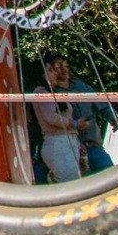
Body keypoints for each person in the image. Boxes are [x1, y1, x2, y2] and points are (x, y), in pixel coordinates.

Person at [33, 54, 81, 183]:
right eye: (50, 70)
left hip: (69, 141)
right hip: (57, 142)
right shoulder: (40, 92)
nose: (54, 73)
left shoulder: (54, 94)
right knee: (71, 183)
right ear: (42, 75)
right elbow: (50, 117)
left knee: (74, 180)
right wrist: (74, 124)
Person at [67, 67, 117, 173]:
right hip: (72, 150)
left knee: (110, 175)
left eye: (65, 65)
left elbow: (101, 104)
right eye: (58, 66)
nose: (62, 69)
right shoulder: (50, 91)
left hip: (93, 145)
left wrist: (112, 117)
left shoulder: (81, 86)